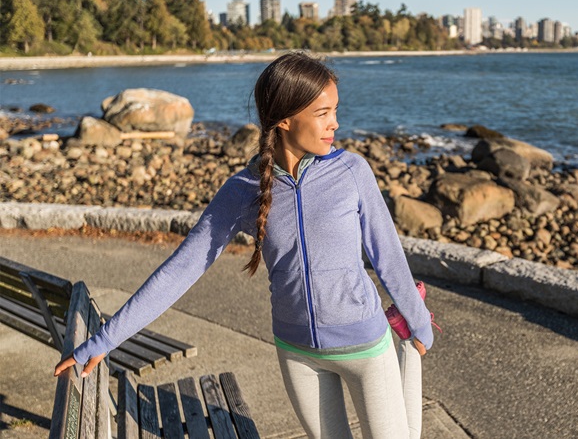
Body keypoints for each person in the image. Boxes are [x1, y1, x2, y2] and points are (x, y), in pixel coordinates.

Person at [54, 52, 437, 439]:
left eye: (335, 110)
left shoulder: (352, 172)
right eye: (323, 113)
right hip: (299, 354)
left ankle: (400, 333)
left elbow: (386, 255)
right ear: (285, 118)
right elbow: (180, 270)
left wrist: (419, 322)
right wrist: (104, 340)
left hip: (365, 347)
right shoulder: (243, 190)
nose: (335, 123)